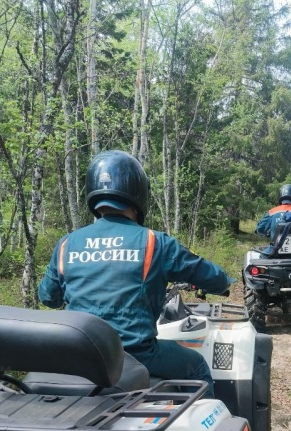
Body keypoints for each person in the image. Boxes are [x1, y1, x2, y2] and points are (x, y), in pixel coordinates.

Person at [38, 150, 234, 397]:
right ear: (138, 194)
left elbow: (48, 297)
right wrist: (223, 283)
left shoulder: (67, 243)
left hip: (79, 355)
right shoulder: (154, 242)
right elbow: (203, 272)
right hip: (136, 354)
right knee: (196, 365)